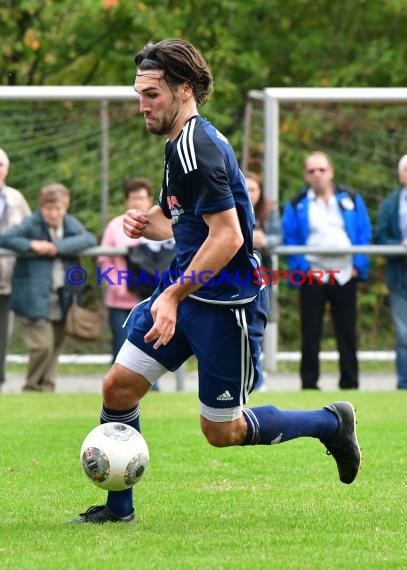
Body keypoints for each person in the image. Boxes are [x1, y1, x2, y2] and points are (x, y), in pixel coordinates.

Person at [71, 40, 361, 525]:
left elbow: (228, 237)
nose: (142, 104)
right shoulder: (177, 144)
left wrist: (171, 295)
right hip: (186, 293)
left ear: (185, 90)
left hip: (227, 305)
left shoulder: (199, 146)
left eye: (152, 94)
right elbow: (186, 222)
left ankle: (331, 423)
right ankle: (119, 509)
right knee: (118, 388)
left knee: (220, 431)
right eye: (138, 93)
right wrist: (152, 222)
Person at [282, 151, 372, 390]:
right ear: (305, 175)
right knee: (311, 334)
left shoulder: (351, 198)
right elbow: (290, 239)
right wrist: (303, 269)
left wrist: (357, 267)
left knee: (347, 332)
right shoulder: (296, 203)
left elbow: (364, 234)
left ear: (331, 171)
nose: (317, 175)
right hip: (313, 275)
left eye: (321, 169)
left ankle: (350, 383)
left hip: (345, 274)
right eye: (312, 171)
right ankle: (309, 385)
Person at [0, 183, 96, 392]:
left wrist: (58, 248)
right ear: (41, 207)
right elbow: (6, 237)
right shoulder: (32, 224)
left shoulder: (69, 223)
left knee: (55, 345)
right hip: (33, 295)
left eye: (58, 209)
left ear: (66, 206)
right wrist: (31, 245)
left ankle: (48, 387)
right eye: (48, 209)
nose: (53, 214)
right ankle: (32, 386)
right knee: (41, 346)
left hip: (62, 294)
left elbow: (88, 238)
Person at [98, 177, 154, 362]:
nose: (138, 201)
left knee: (148, 349)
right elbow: (104, 260)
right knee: (122, 348)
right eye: (133, 198)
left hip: (150, 300)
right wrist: (117, 285)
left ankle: (154, 390)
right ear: (126, 201)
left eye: (141, 197)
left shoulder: (158, 227)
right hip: (120, 302)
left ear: (150, 200)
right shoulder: (115, 226)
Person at [245, 171, 281, 389]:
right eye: (245, 188)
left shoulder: (269, 211)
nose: (249, 194)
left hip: (262, 276)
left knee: (258, 326)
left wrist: (265, 240)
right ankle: (249, 376)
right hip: (235, 277)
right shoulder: (231, 206)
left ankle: (257, 377)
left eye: (253, 189)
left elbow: (279, 237)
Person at [0, 148, 31, 389]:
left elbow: (30, 229)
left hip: (8, 279)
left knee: (3, 335)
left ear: (7, 169)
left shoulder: (15, 198)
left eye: (0, 164)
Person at [376, 154, 407, 389]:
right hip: (400, 277)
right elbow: (381, 236)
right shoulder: (390, 204)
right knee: (404, 335)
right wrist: (400, 244)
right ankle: (404, 385)